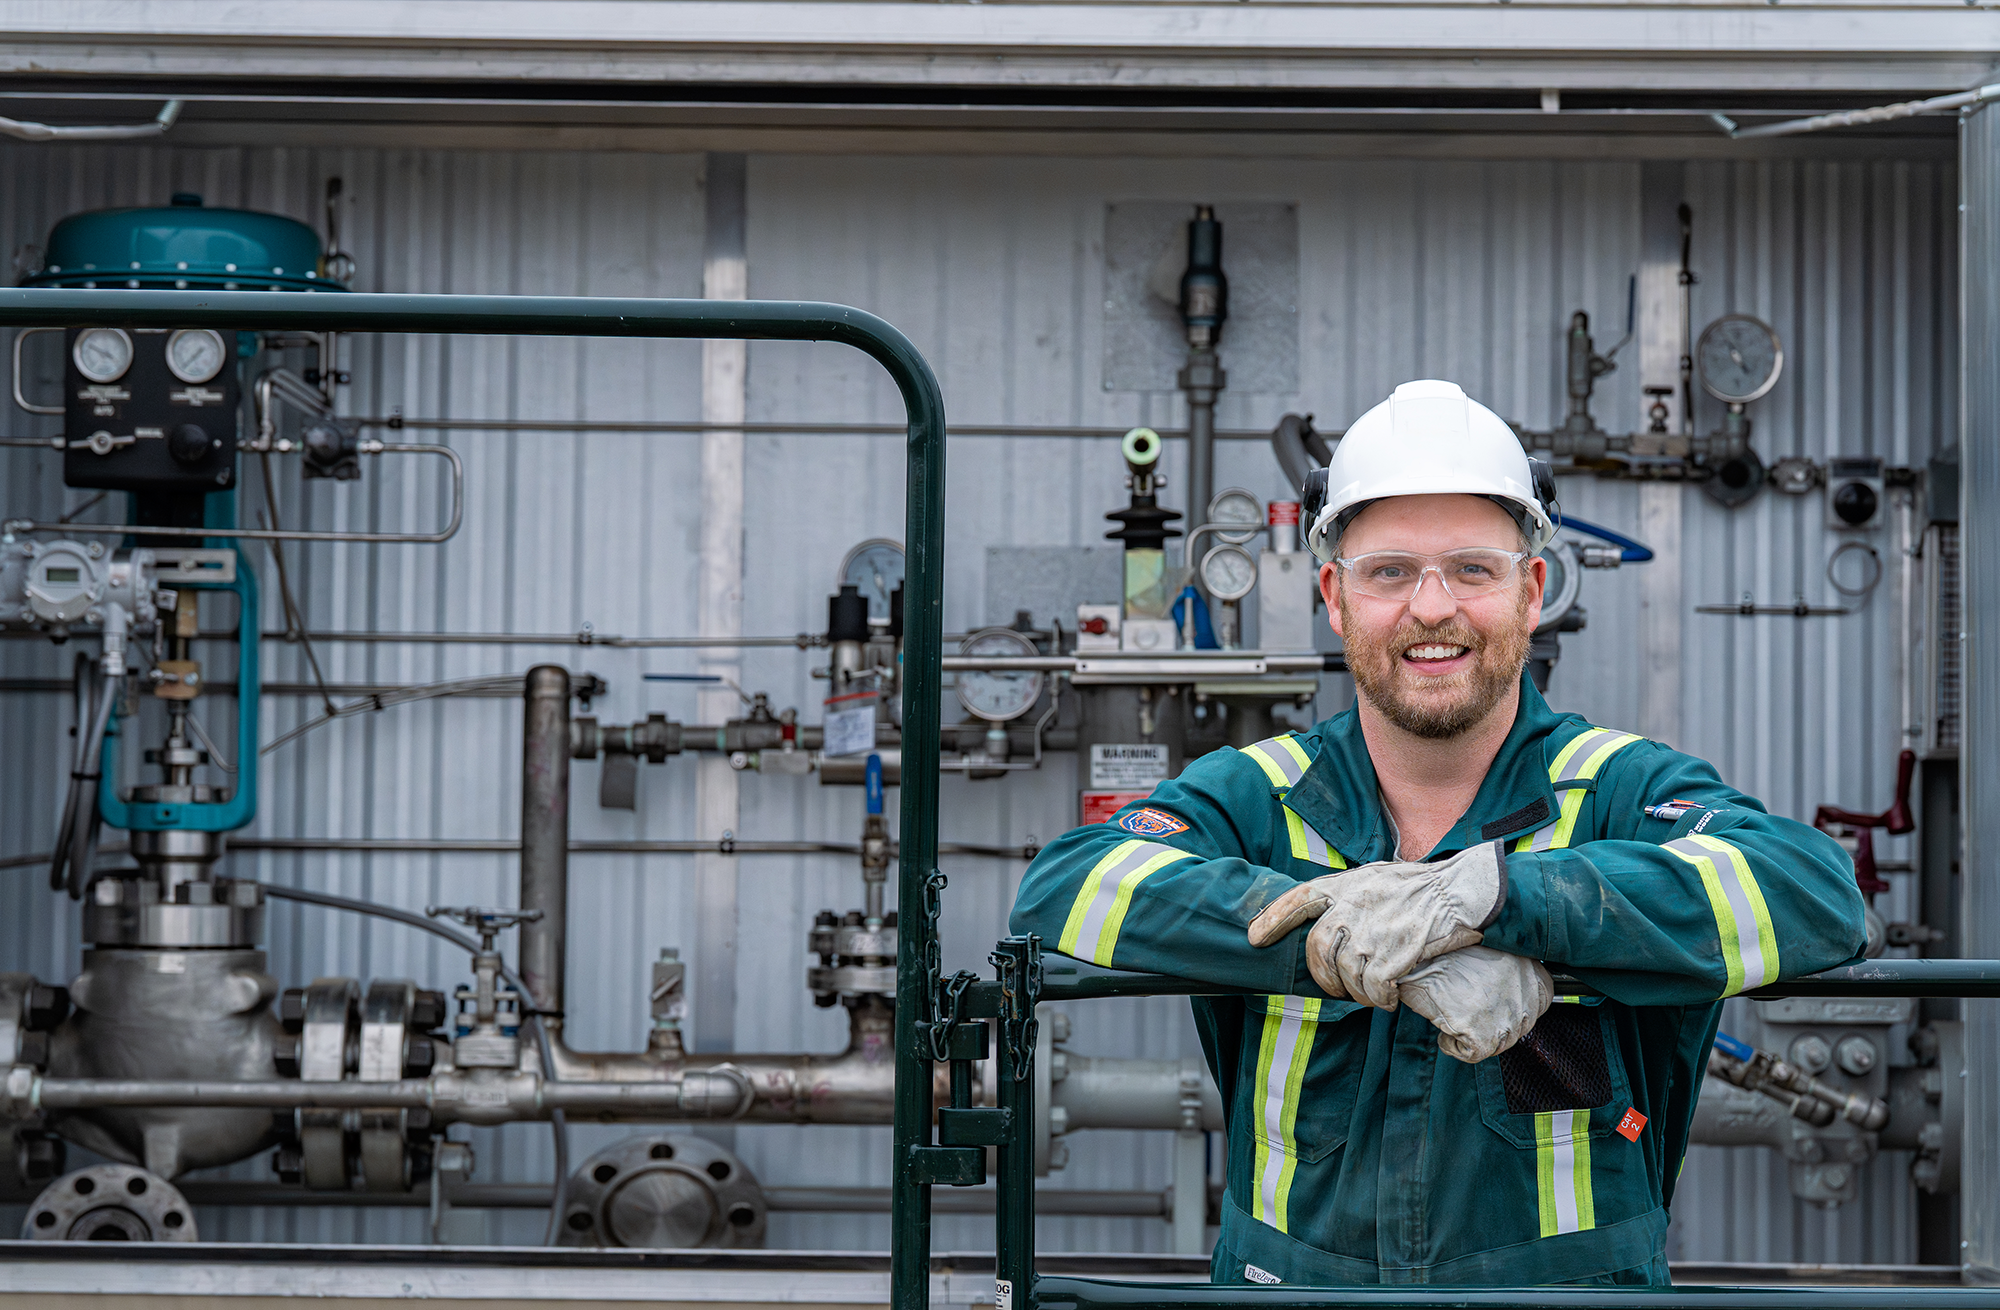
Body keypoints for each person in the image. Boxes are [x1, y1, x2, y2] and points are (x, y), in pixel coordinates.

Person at [1009, 379, 1866, 1286]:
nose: (1430, 608)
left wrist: (1495, 897)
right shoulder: (1262, 794)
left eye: (1471, 567)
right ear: (1335, 598)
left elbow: (1814, 893)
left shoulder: (1617, 787)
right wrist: (1336, 929)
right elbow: (1066, 883)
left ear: (1530, 591)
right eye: (1389, 572)